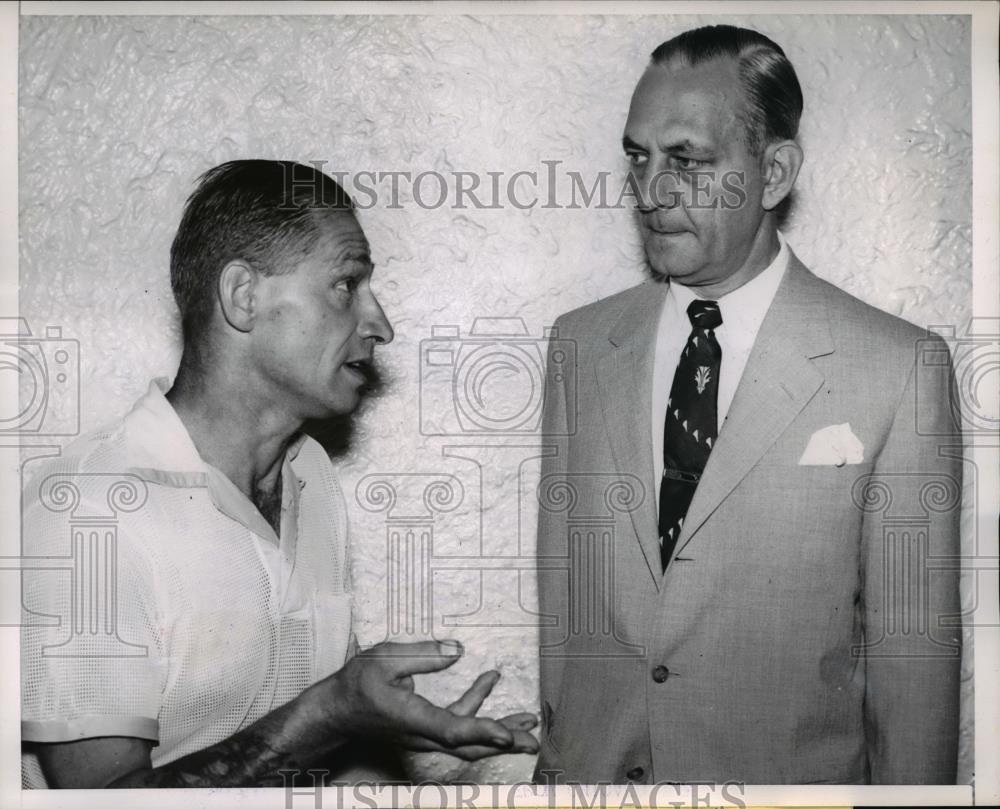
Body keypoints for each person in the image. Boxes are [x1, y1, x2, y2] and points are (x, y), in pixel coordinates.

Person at [21, 160, 538, 788]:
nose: (381, 326)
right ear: (244, 296)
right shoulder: (88, 511)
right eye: (347, 285)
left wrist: (383, 746)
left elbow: (303, 756)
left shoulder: (310, 474)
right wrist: (332, 711)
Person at [534, 25, 961, 785]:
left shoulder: (898, 368)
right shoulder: (579, 346)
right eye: (639, 157)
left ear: (773, 174)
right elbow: (565, 602)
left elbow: (912, 668)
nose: (651, 192)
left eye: (688, 161)